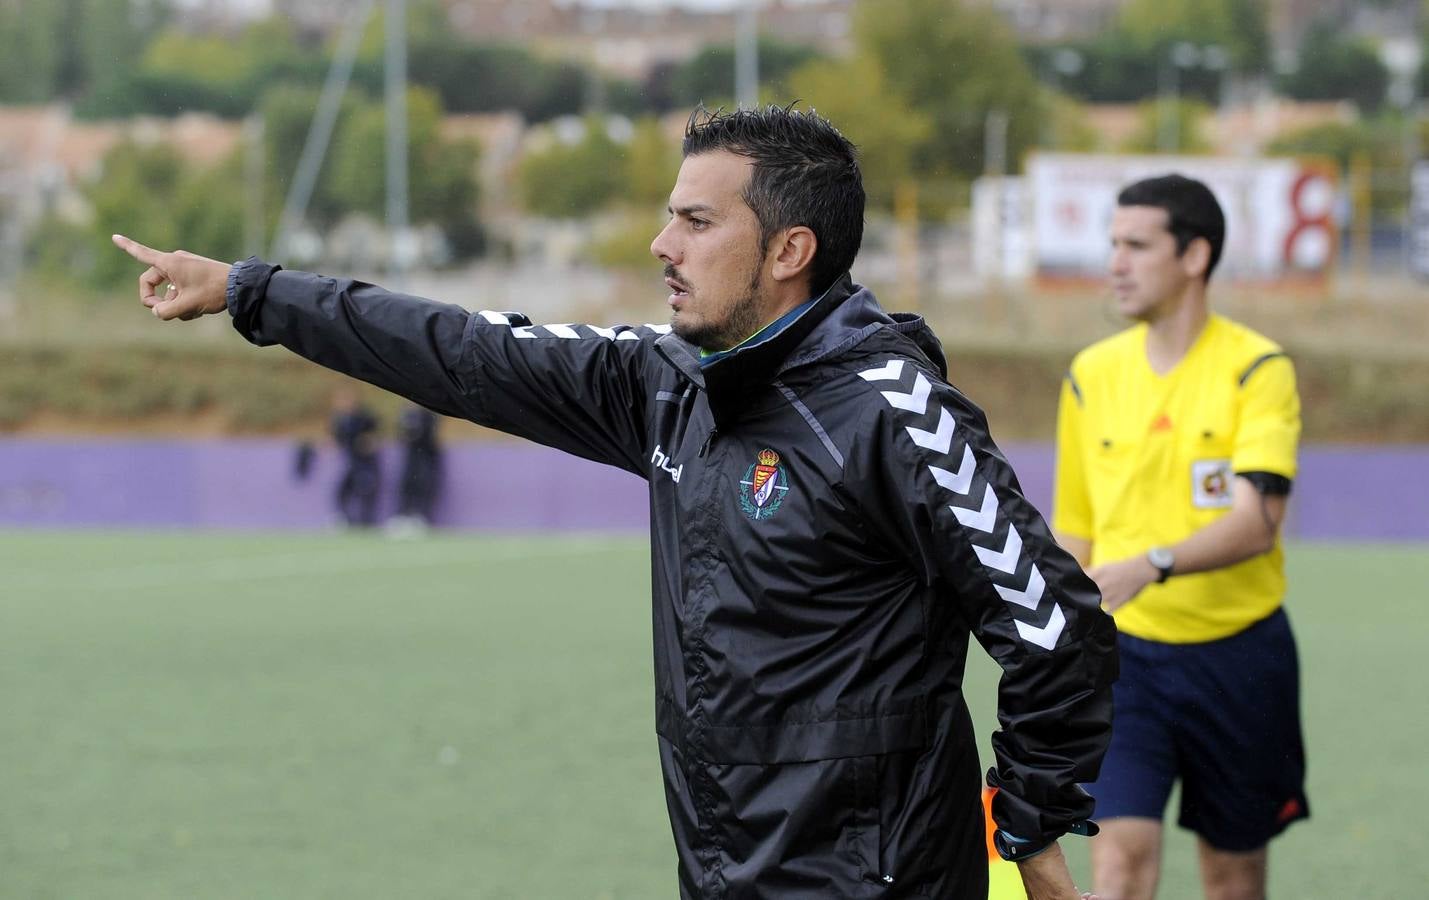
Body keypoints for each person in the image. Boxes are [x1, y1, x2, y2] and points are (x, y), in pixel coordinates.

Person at [114, 105, 1116, 900]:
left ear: (788, 250)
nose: (659, 244)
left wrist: (1026, 824)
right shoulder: (665, 381)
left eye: (695, 220)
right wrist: (254, 292)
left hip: (876, 880)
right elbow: (464, 351)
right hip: (719, 866)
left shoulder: (895, 414)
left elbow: (1053, 625)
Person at [1052, 175, 1308, 900]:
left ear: (1194, 255)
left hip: (1240, 658)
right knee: (1119, 867)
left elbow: (1257, 521)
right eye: (1111, 245)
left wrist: (1151, 565)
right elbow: (1074, 531)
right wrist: (1056, 641)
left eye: (1136, 245)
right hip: (1124, 663)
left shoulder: (1258, 369)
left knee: (1231, 878)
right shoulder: (1089, 374)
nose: (1115, 263)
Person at [329, 386, 382, 528]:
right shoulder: (339, 419)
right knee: (342, 492)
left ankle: (367, 522)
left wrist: (367, 442)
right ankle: (346, 520)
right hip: (350, 462)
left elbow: (373, 438)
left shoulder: (365, 417)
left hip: (365, 462)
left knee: (366, 491)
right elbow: (337, 438)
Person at [391, 403, 443, 532]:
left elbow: (429, 437)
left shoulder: (429, 415)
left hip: (425, 457)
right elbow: (401, 435)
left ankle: (421, 517)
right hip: (411, 458)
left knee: (423, 486)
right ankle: (403, 516)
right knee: (406, 486)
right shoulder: (406, 414)